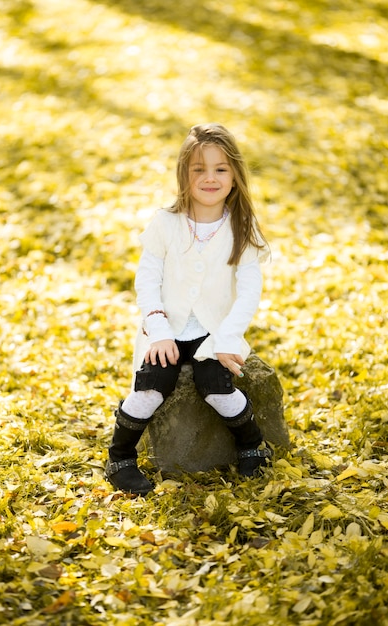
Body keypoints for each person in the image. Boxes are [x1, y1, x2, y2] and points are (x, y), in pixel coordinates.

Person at [105, 123, 272, 495]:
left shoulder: (242, 228)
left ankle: (252, 445)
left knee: (217, 387)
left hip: (213, 331)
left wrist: (229, 336)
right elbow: (147, 279)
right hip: (168, 327)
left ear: (234, 176)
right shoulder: (166, 223)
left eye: (220, 169)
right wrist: (158, 328)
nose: (210, 178)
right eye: (199, 169)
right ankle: (120, 457)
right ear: (184, 174)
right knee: (151, 387)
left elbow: (248, 291)